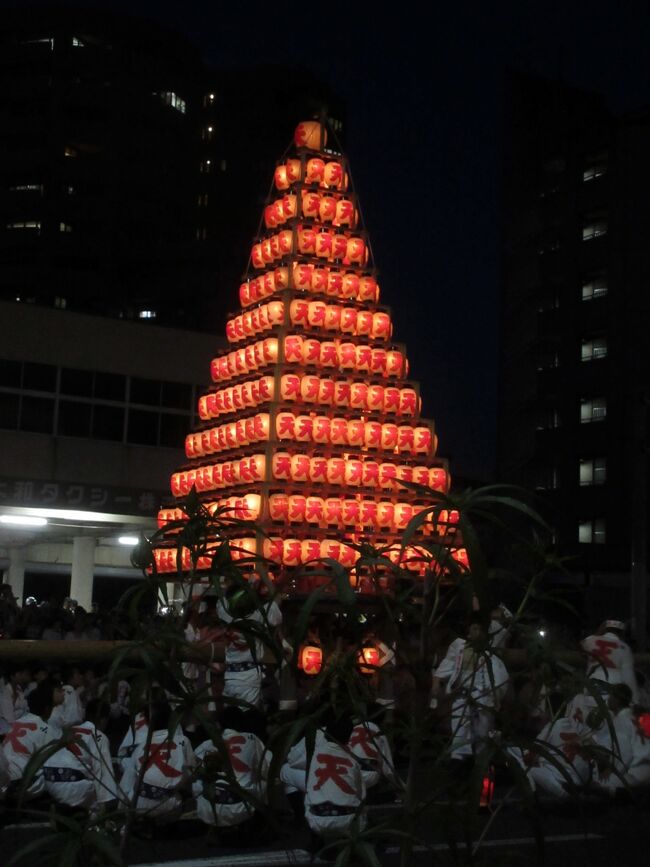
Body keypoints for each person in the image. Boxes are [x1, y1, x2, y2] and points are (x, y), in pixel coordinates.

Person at [431, 616, 509, 761]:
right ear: (468, 632)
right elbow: (446, 666)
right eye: (474, 629)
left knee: (482, 734)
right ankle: (458, 763)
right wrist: (436, 683)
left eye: (480, 629)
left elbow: (499, 678)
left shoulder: (490, 653)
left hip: (483, 696)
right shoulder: (459, 647)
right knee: (459, 732)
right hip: (461, 695)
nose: (478, 632)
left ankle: (481, 765)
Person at [192, 706, 270, 828]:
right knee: (263, 779)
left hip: (210, 807)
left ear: (219, 724)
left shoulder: (207, 744)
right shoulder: (252, 739)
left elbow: (193, 769)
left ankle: (213, 826)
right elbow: (264, 769)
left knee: (197, 779)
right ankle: (259, 820)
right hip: (242, 805)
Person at [120, 700, 194, 820]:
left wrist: (123, 807)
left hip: (138, 803)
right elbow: (191, 774)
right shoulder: (183, 741)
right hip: (167, 805)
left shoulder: (141, 746)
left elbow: (127, 780)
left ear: (148, 722)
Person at [43, 698, 120, 810]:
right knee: (103, 792)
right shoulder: (98, 736)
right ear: (104, 720)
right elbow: (103, 773)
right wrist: (106, 804)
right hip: (72, 787)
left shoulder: (67, 730)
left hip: (49, 781)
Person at [217, 581, 283, 709]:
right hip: (249, 676)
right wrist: (262, 573)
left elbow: (224, 594)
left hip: (230, 675)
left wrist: (243, 582)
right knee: (247, 721)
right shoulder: (259, 615)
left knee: (229, 722)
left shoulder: (226, 613)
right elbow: (278, 599)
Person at [304, 711, 365, 840]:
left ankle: (316, 841)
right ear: (349, 736)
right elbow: (361, 794)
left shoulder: (314, 754)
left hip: (318, 819)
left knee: (307, 793)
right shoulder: (352, 760)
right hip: (347, 821)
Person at [1, 678, 64, 801]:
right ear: (47, 708)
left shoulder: (14, 723)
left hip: (3, 779)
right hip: (20, 784)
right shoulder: (45, 729)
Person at [590, 683, 638, 795]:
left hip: (631, 771)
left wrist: (611, 770)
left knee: (597, 785)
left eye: (611, 696)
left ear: (617, 700)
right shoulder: (628, 717)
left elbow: (627, 753)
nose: (608, 699)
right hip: (633, 768)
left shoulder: (622, 720)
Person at [582, 620, 638, 702]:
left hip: (590, 691)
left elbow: (582, 645)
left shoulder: (589, 640)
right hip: (612, 694)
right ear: (622, 633)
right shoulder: (625, 647)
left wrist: (598, 633)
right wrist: (635, 700)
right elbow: (628, 677)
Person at [347, 708, 396, 792]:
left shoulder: (351, 730)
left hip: (348, 775)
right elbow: (388, 770)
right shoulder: (379, 734)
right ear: (382, 720)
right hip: (369, 776)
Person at [0, 664, 31, 736]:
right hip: (4, 726)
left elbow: (26, 709)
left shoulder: (19, 690)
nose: (22, 676)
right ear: (12, 676)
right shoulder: (4, 693)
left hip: (18, 723)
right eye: (19, 674)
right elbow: (9, 718)